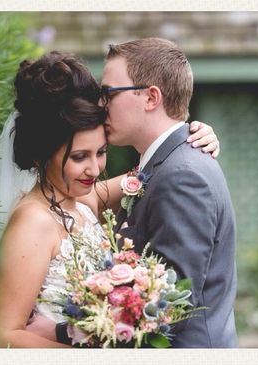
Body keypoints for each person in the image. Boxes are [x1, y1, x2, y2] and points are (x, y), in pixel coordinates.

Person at [0, 50, 221, 348]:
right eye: (79, 157)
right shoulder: (33, 222)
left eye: (100, 152)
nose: (94, 169)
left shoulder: (84, 199)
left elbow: (150, 173)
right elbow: (2, 336)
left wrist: (191, 138)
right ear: (40, 156)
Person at [101, 38, 238, 347]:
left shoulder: (183, 175)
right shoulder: (167, 164)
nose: (101, 104)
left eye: (108, 93)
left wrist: (63, 332)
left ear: (151, 98)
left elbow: (169, 302)